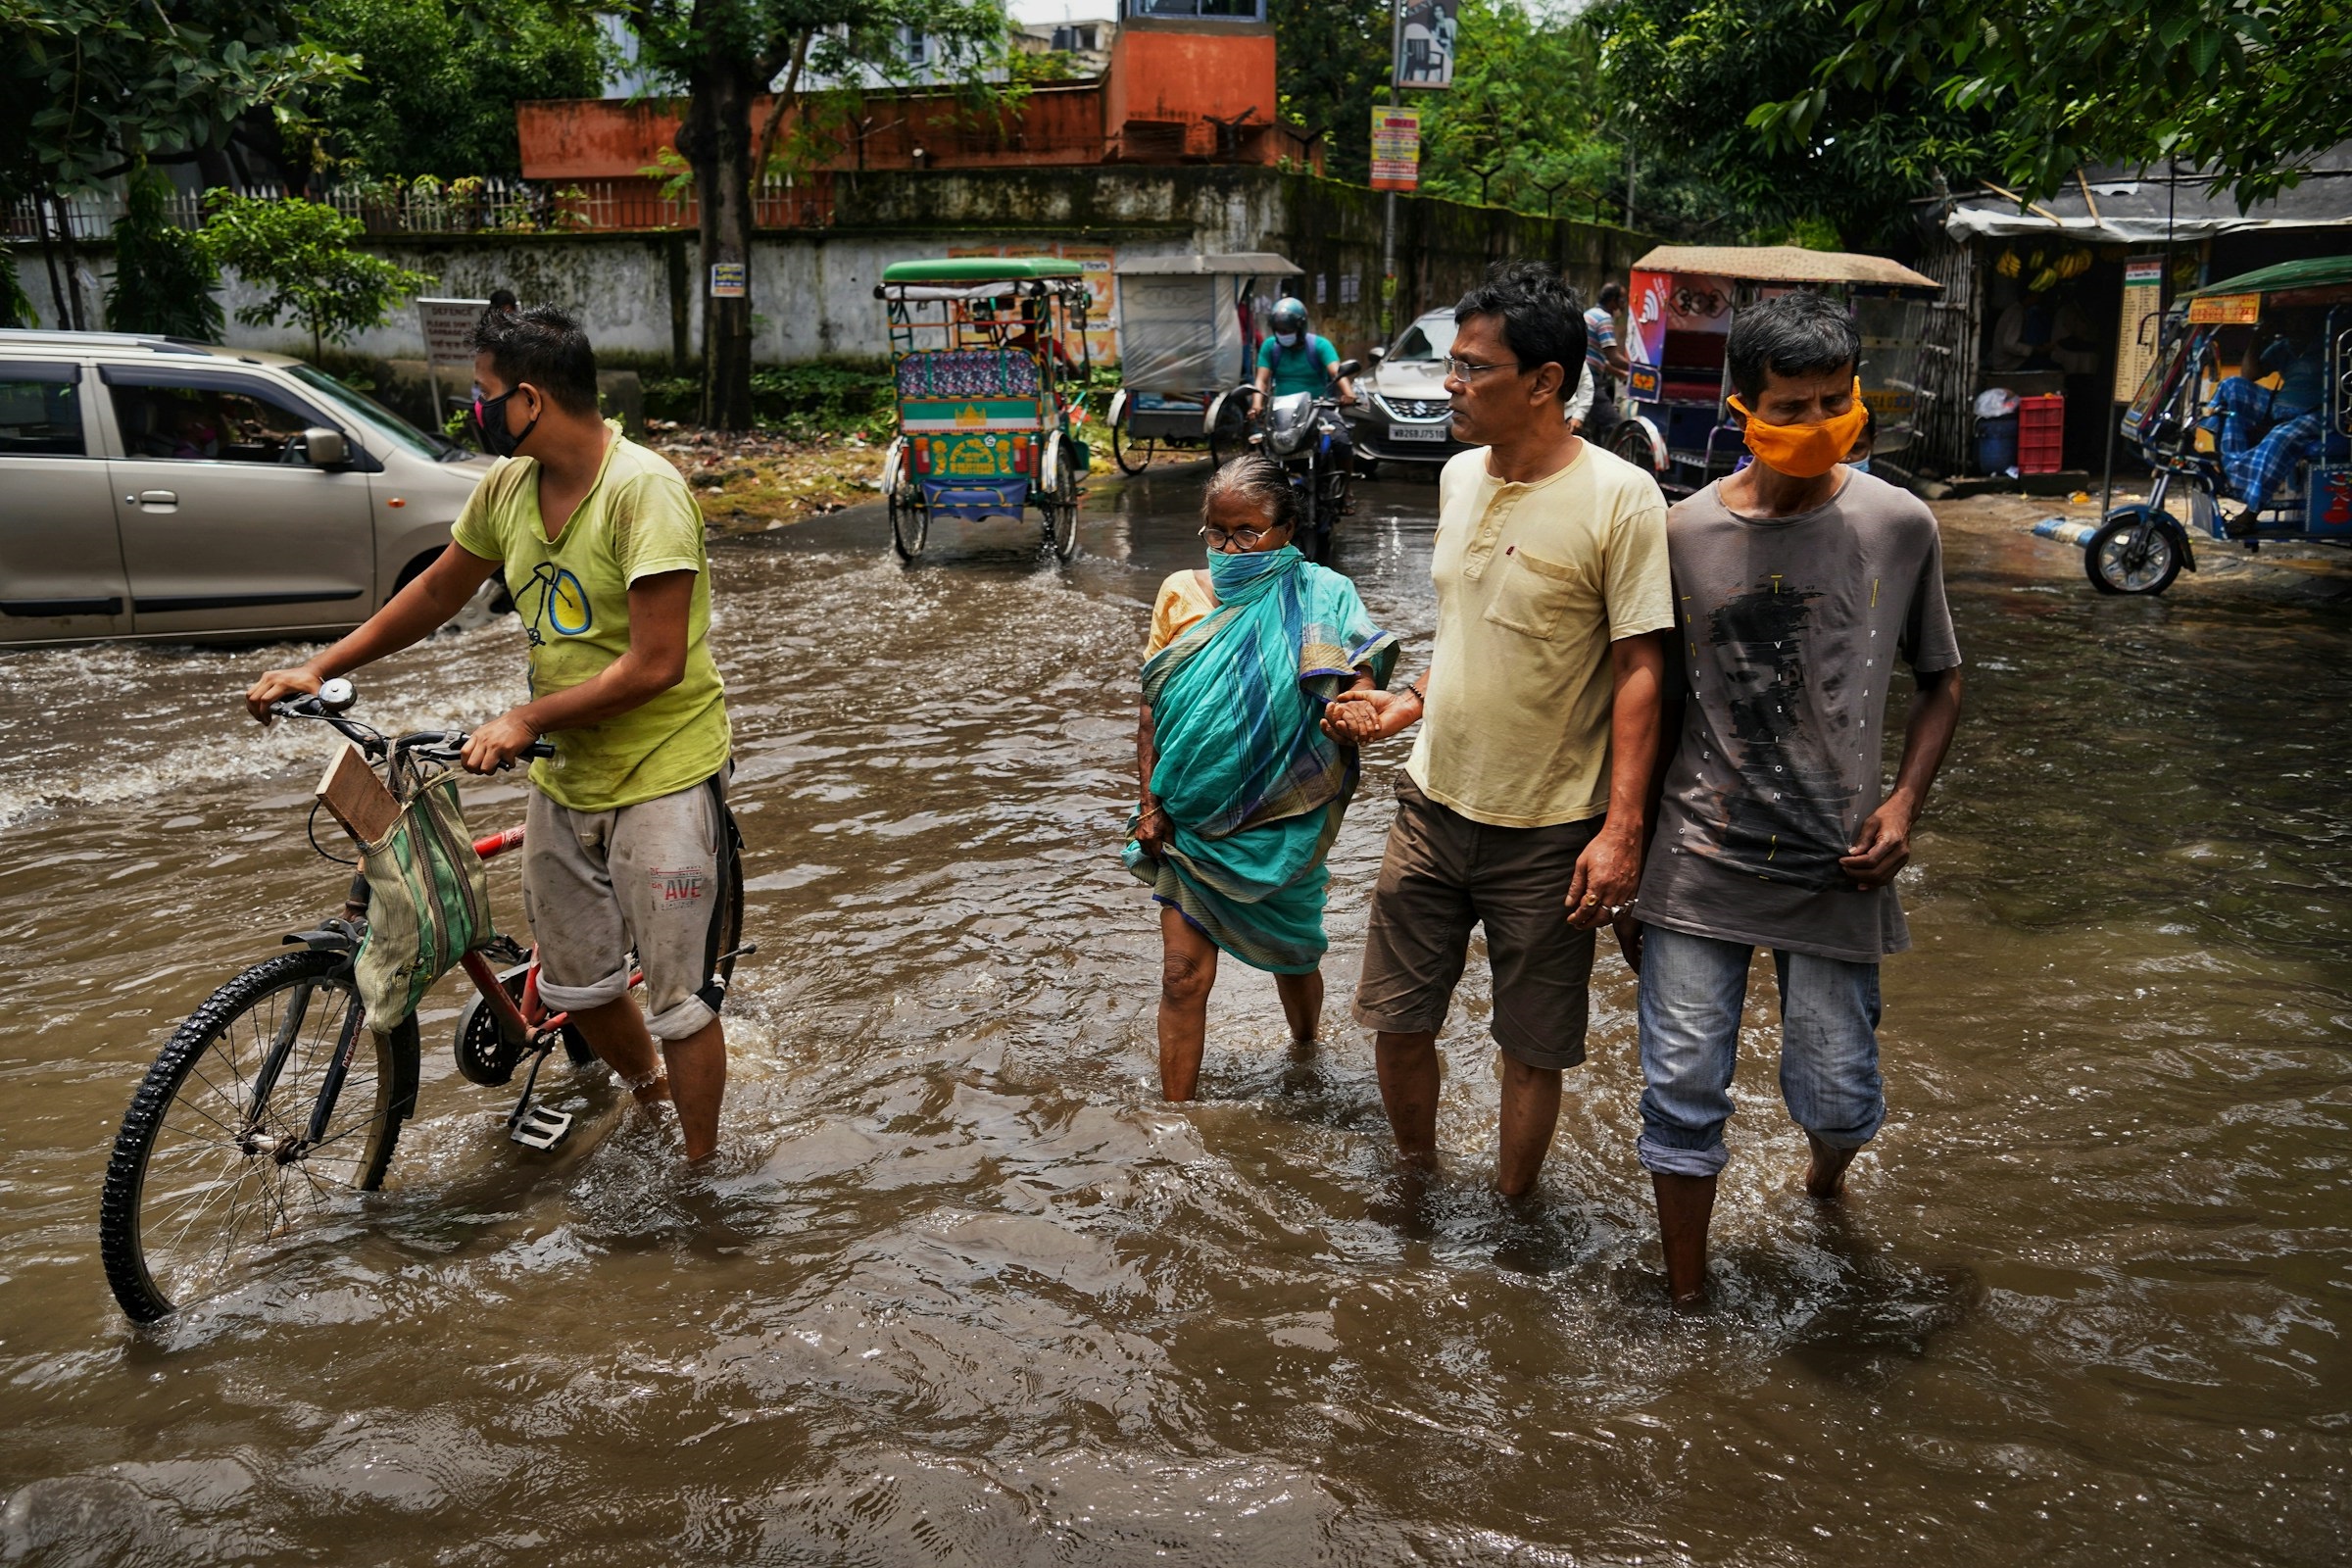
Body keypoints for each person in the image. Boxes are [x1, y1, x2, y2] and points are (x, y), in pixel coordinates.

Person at [245, 306, 736, 1163]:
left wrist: (524, 717)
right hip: (567, 773)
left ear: (531, 400)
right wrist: (320, 667)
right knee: (577, 985)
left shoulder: (643, 492)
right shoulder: (508, 488)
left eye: (483, 394)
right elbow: (438, 592)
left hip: (662, 771)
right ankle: (650, 1096)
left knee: (680, 1005)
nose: (474, 409)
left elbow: (657, 662)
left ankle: (702, 1175)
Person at [1620, 291, 1964, 1308]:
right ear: (1739, 407)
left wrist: (1903, 804)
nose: (1816, 425)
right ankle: (1687, 1294)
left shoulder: (1898, 524)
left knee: (1840, 1098)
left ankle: (1825, 1177)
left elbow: (1941, 678)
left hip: (1838, 863)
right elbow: (1654, 701)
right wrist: (1624, 846)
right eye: (1792, 405)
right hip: (1700, 858)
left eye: (1833, 401)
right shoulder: (1681, 536)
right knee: (1681, 1091)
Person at [1326, 261, 1672, 1196]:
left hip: (1553, 828)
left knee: (1532, 1048)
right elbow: (1477, 631)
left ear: (1545, 382)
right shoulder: (1453, 480)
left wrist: (1622, 832)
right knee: (1395, 1022)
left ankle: (1514, 1212)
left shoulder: (1620, 496)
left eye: (1474, 368)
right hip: (1432, 804)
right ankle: (1417, 1183)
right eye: (1453, 364)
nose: (1451, 384)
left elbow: (1642, 667)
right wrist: (1407, 703)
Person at [1129, 455, 1398, 1101]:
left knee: (1294, 956)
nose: (1231, 547)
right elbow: (1153, 708)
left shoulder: (1323, 592)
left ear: (1286, 527)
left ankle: (1306, 1055)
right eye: (1217, 533)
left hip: (1285, 818)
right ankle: (1176, 1121)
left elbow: (1359, 670)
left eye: (1248, 531)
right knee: (1181, 979)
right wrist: (1149, 803)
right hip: (1189, 820)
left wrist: (1355, 704)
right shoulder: (1178, 593)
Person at [2207, 331, 2328, 533]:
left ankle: (2251, 513)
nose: (2295, 324)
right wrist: (2257, 335)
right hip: (2280, 406)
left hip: (2319, 413)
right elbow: (2249, 374)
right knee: (2231, 387)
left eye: (2300, 318)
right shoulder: (2286, 346)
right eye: (2290, 319)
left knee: (2278, 439)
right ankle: (2232, 468)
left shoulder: (2329, 341)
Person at [1253, 297, 1356, 412]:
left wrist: (1349, 394)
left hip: (1316, 410)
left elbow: (1336, 372)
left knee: (1337, 428)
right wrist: (1256, 405)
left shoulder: (1320, 345)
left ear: (1300, 329)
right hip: (1281, 412)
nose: (1283, 334)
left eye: (1288, 330)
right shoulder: (1270, 346)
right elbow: (1261, 380)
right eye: (1279, 330)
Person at [1582, 282, 1631, 435]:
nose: (1623, 307)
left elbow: (1595, 356)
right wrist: (1639, 370)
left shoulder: (1590, 314)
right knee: (1615, 425)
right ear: (1612, 301)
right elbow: (1614, 357)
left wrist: (1619, 373)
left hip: (1581, 376)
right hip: (1589, 380)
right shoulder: (1604, 319)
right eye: (1622, 301)